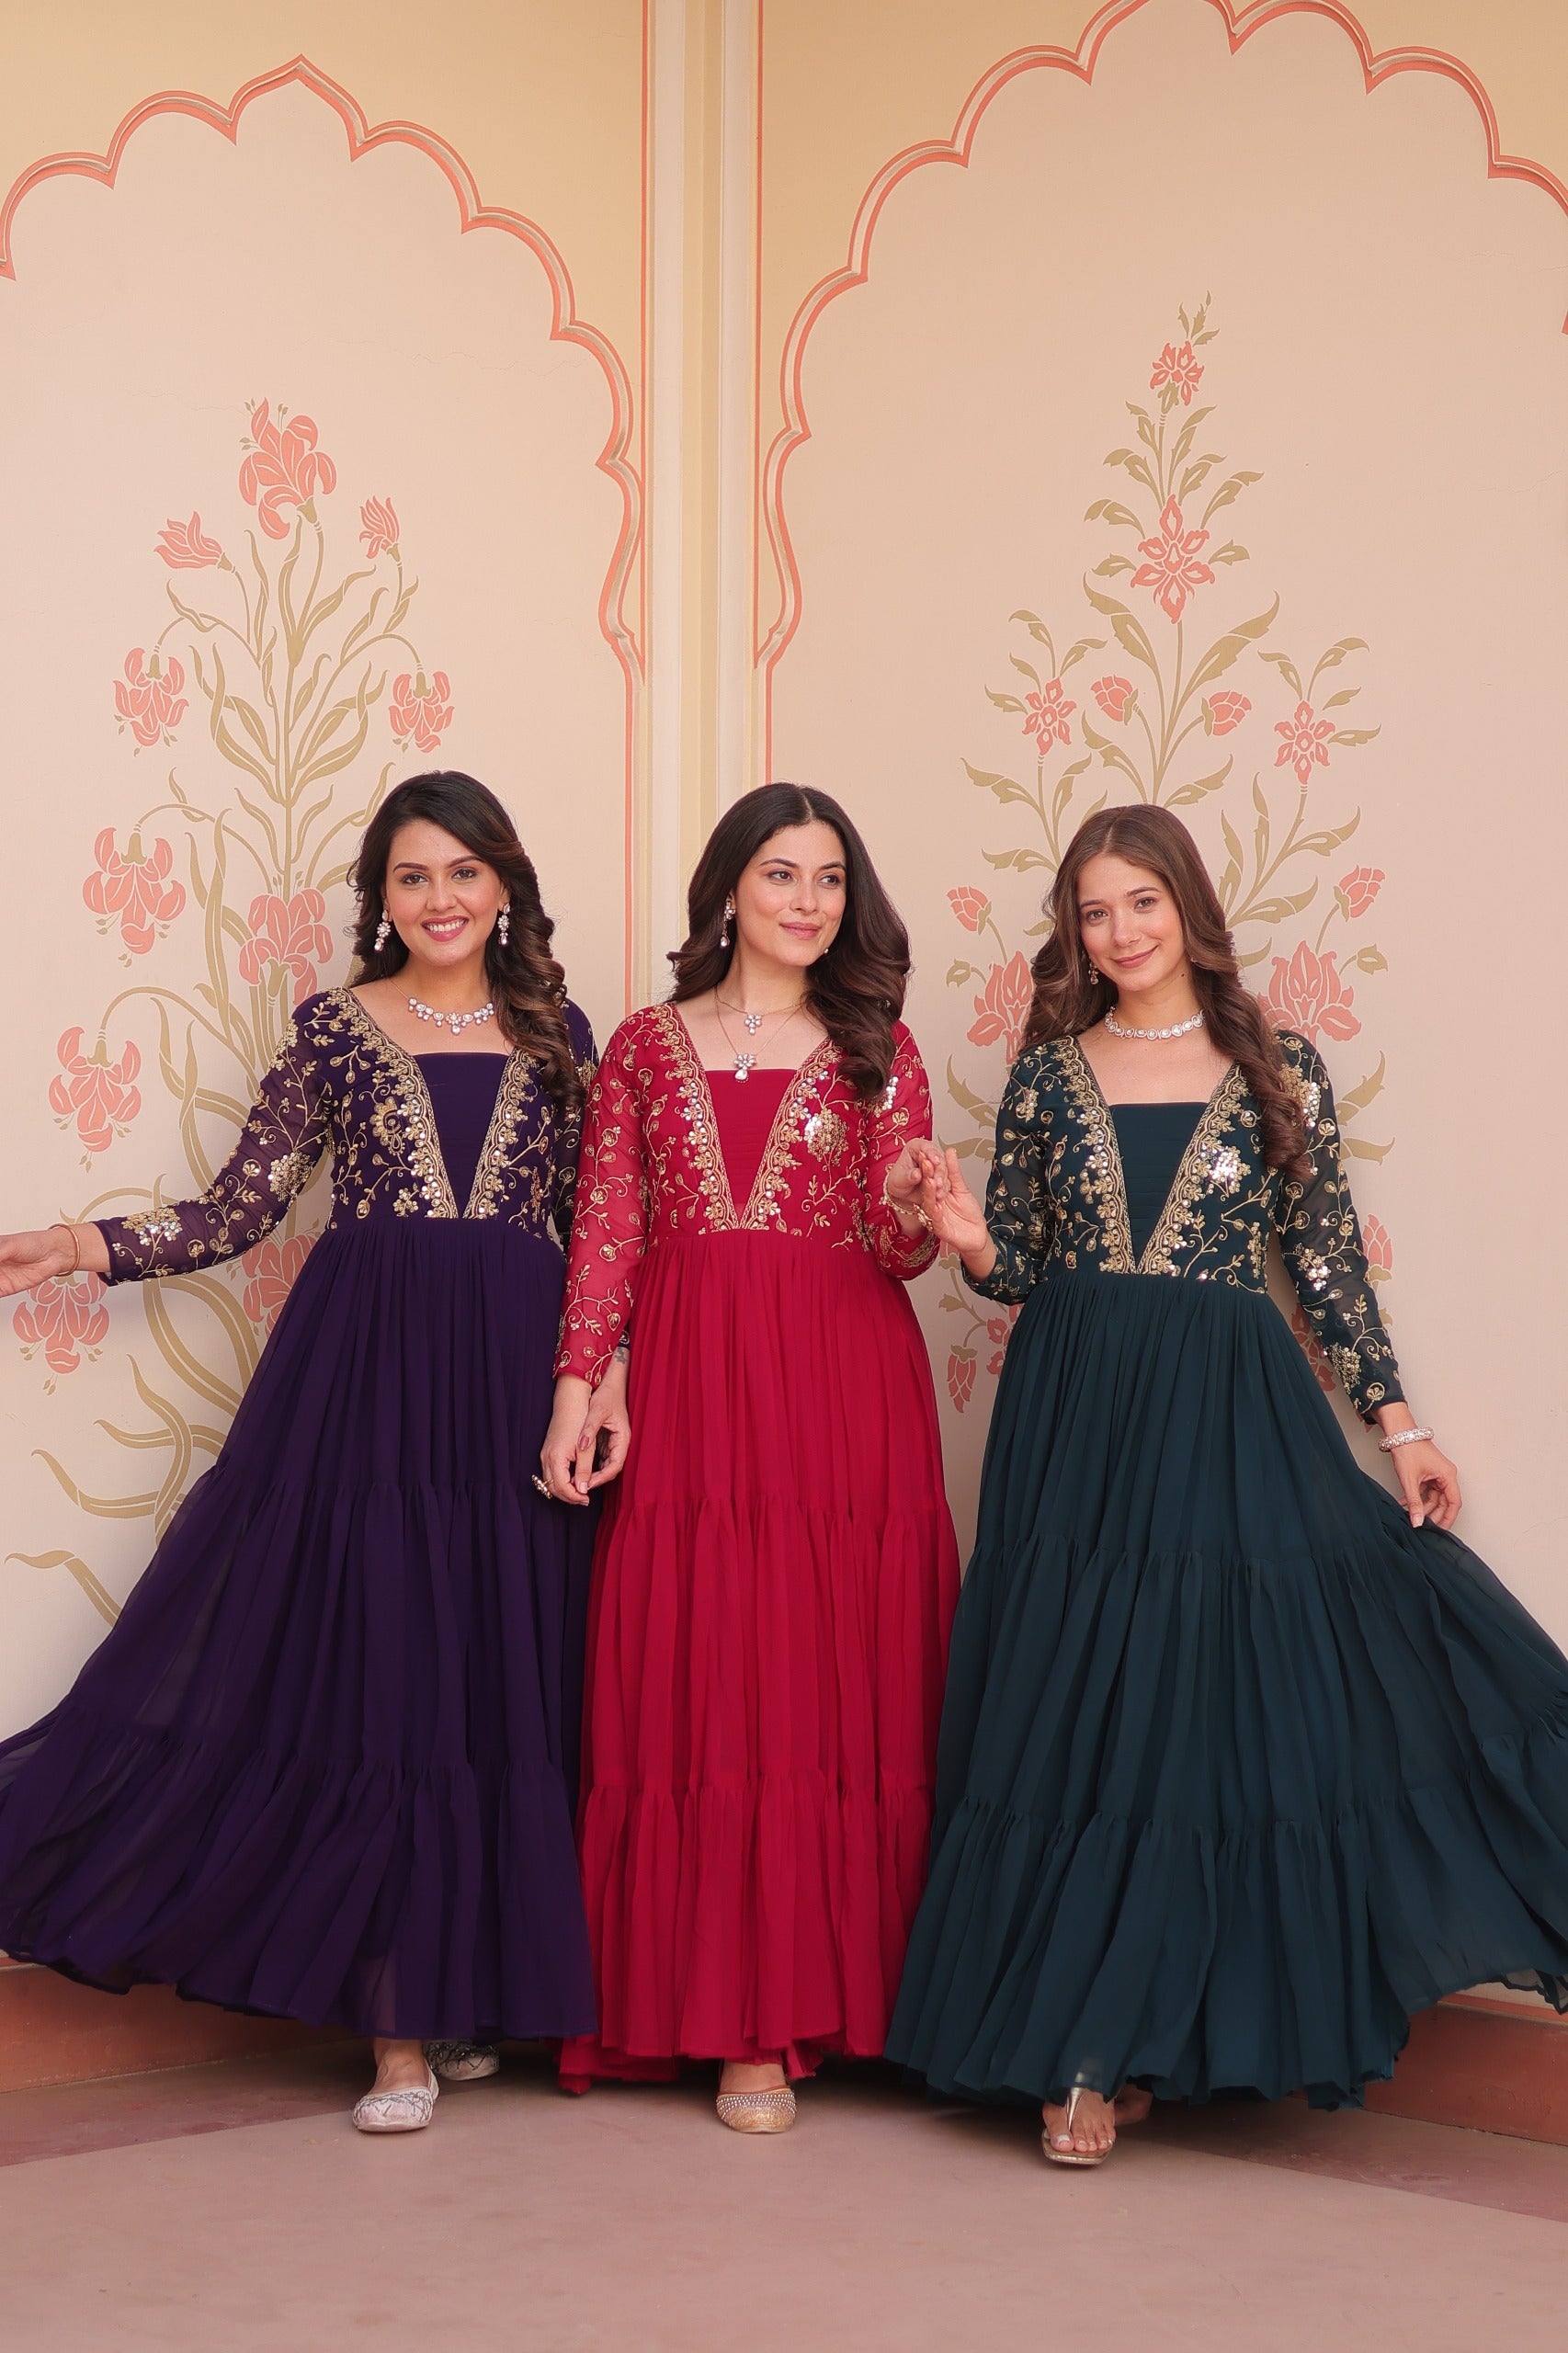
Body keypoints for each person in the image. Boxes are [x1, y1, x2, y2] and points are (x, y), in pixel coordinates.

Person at [886, 802, 1568, 2165]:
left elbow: (1319, 1265)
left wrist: (1400, 1423)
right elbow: (1014, 1263)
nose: (1118, 932)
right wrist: (964, 1240)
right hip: (1073, 1406)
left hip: (1222, 1405)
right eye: (1092, 910)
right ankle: (1079, 2055)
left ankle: (1135, 2046)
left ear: (1187, 907)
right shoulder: (1044, 1072)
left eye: (1140, 901)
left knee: (1189, 1715)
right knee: (1071, 1716)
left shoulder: (1273, 1064)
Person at [0, 771, 621, 2132]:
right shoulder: (337, 1030)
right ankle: (397, 2033)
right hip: (369, 1379)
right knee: (389, 1671)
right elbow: (238, 1207)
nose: (441, 898)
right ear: (380, 900)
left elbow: (597, 1236)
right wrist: (86, 1245)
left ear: (504, 886)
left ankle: (466, 1998)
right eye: (411, 877)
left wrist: (603, 1377)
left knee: (496, 1671)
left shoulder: (562, 1033)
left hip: (516, 1378)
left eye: (463, 872)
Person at [540, 782, 960, 2131]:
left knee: (831, 1673)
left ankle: (843, 2008)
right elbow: (607, 1227)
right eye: (780, 873)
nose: (806, 901)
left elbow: (894, 1250)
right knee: (708, 1668)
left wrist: (912, 1207)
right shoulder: (643, 1049)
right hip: (692, 1382)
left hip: (841, 1394)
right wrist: (577, 1389)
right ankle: (731, 2022)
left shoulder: (878, 1048)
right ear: (728, 888)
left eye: (830, 878)